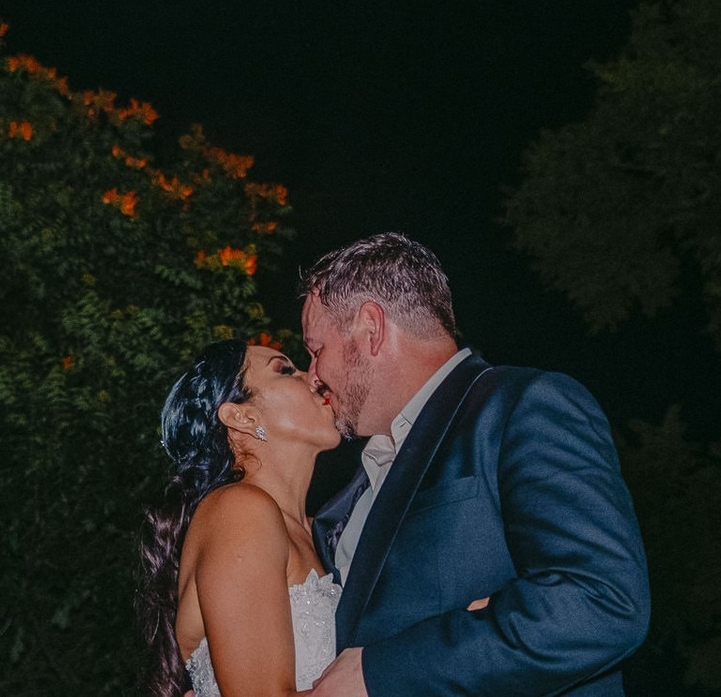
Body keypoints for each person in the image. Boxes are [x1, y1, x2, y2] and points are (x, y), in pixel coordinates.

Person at [301, 233, 650, 697]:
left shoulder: (522, 406)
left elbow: (601, 601)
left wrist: (380, 674)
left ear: (371, 328)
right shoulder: (353, 487)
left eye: (316, 351)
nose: (312, 376)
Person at [140, 337, 346, 697]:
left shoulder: (324, 530)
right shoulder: (240, 511)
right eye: (285, 370)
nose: (313, 376)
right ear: (242, 416)